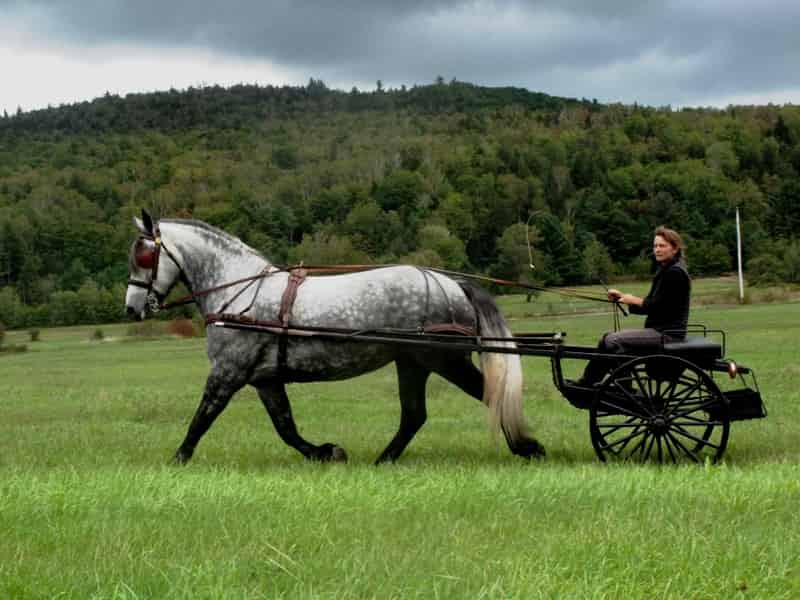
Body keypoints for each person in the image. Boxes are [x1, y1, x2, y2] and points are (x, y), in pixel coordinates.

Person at [576, 226, 691, 387]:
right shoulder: (666, 270)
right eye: (655, 246)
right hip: (661, 330)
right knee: (607, 340)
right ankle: (589, 383)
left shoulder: (675, 273)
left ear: (675, 248)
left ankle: (616, 386)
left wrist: (632, 299)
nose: (657, 250)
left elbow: (658, 306)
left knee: (612, 340)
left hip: (667, 334)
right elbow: (651, 304)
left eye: (662, 246)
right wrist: (622, 297)